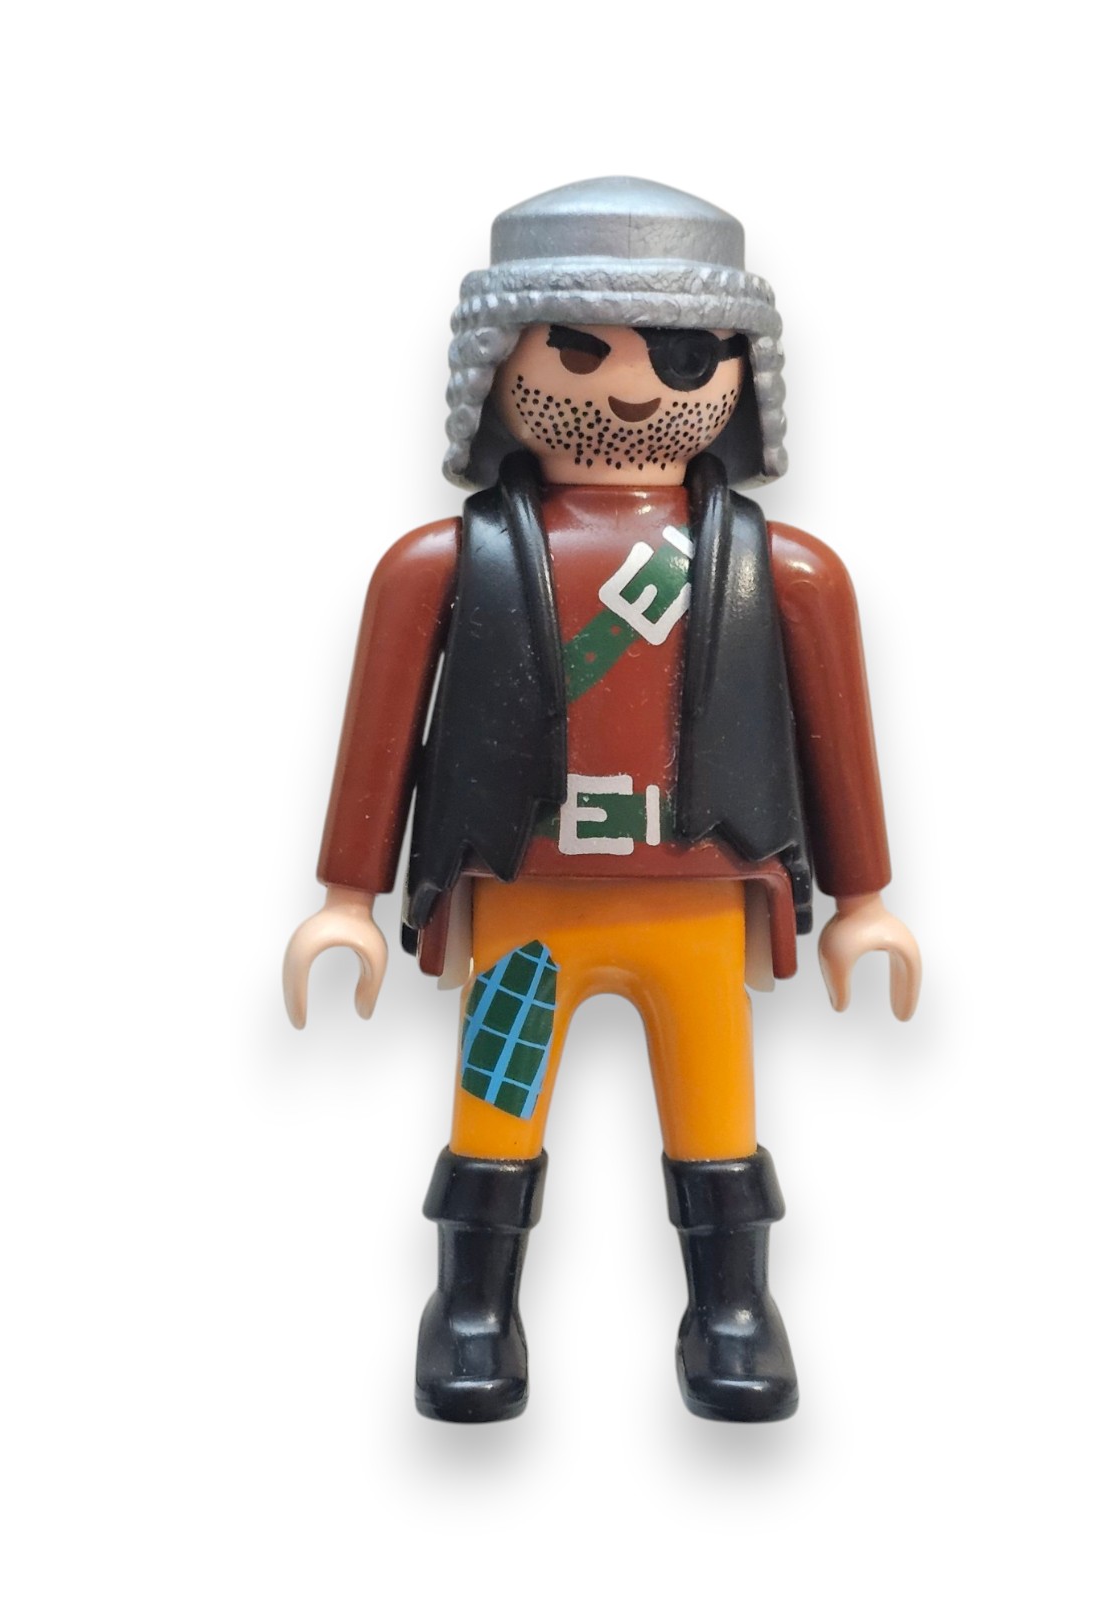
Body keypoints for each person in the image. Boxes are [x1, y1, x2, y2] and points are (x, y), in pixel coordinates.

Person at [283, 176, 921, 1424]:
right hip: (527, 891)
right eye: (579, 349)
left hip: (701, 890)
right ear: (501, 365)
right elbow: (381, 730)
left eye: (679, 358)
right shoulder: (441, 564)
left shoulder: (786, 571)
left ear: (739, 373)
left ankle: (732, 1306)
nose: (631, 389)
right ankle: (472, 1304)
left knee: (715, 1110)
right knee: (496, 1102)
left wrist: (863, 899)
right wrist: (347, 895)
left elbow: (838, 734)